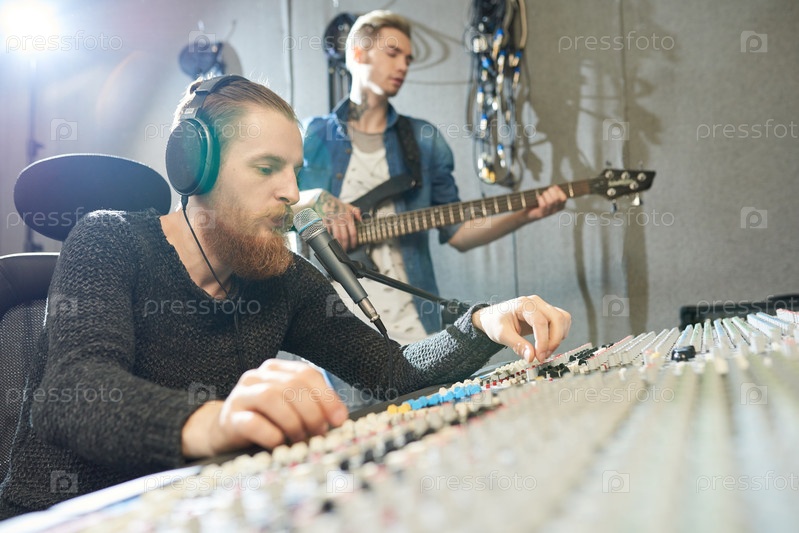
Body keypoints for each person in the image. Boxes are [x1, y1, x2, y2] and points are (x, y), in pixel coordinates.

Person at [0, 76, 570, 518]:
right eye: (267, 168)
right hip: (57, 513)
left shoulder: (283, 279)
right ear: (196, 171)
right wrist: (215, 423)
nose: (293, 193)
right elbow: (72, 394)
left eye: (295, 171)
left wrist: (483, 323)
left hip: (190, 512)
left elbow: (392, 373)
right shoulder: (109, 238)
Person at [298, 10, 569, 345]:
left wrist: (527, 214)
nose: (403, 66)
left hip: (413, 323)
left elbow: (459, 233)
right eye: (393, 53)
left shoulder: (424, 140)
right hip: (334, 326)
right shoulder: (311, 135)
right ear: (358, 53)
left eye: (408, 59)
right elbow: (272, 205)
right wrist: (314, 199)